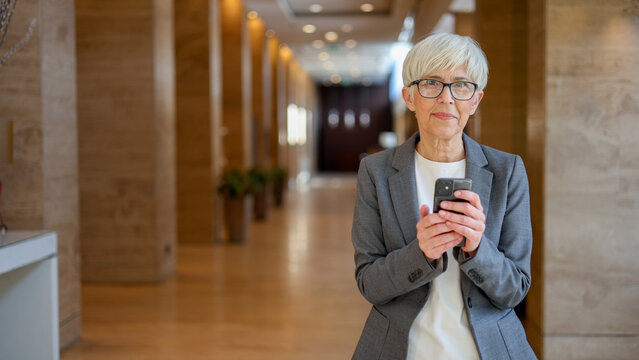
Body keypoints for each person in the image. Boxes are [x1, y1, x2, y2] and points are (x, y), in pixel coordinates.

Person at [351, 32, 536, 360]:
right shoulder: (375, 172)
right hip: (400, 348)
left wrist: (479, 248)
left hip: (488, 349)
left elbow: (514, 290)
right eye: (431, 83)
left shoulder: (507, 171)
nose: (447, 98)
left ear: (476, 100)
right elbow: (369, 283)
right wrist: (420, 253)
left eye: (461, 85)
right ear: (410, 97)